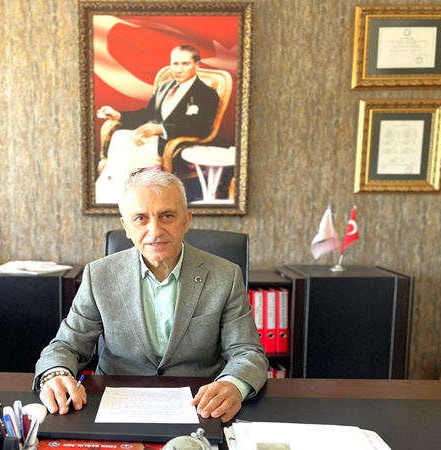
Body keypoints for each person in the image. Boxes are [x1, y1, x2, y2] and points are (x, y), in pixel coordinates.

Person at [34, 169, 268, 423]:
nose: (155, 231)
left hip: (200, 404)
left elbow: (247, 351)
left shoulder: (225, 275)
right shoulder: (99, 275)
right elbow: (66, 345)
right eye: (140, 218)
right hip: (115, 400)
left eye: (167, 216)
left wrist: (233, 384)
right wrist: (55, 374)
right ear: (126, 226)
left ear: (186, 220)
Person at [94, 45, 221, 204]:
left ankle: (116, 198)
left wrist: (162, 129)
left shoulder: (206, 93)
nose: (179, 69)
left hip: (171, 145)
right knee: (120, 136)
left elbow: (201, 127)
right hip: (149, 137)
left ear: (197, 65)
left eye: (185, 64)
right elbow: (147, 114)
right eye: (175, 63)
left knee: (123, 158)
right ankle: (119, 195)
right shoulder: (164, 87)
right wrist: (119, 115)